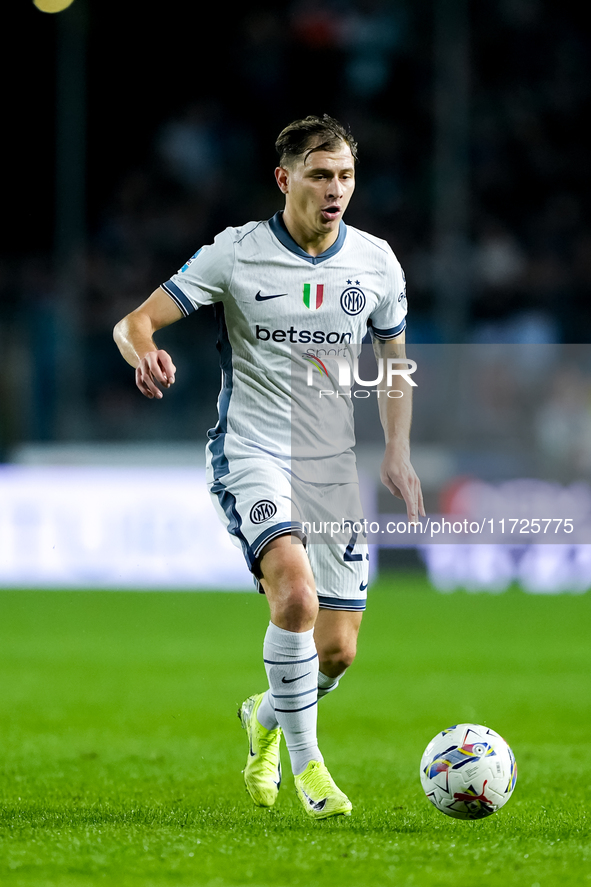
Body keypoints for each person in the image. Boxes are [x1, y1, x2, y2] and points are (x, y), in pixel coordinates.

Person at [113, 114, 424, 819]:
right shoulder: (235, 254)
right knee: (294, 597)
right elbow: (131, 323)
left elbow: (395, 362)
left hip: (330, 466)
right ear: (284, 180)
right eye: (319, 175)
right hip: (251, 450)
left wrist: (398, 449)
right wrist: (145, 354)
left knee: (337, 651)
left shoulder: (374, 262)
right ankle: (311, 769)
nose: (335, 188)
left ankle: (266, 714)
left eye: (344, 175)